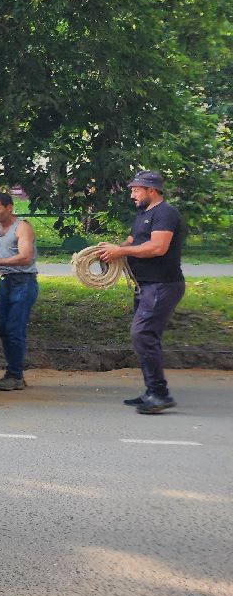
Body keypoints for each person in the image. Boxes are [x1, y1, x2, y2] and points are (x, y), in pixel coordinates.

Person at [93, 170, 186, 415]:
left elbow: (158, 247)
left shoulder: (165, 213)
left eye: (136, 189)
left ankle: (159, 393)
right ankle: (151, 391)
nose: (132, 194)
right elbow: (132, 241)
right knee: (144, 336)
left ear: (151, 190)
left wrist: (121, 252)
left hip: (161, 284)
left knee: (143, 333)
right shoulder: (143, 214)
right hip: (146, 285)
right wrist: (109, 251)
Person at [0, 192, 38, 390]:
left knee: (15, 330)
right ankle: (13, 374)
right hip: (5, 282)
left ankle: (15, 376)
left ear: (9, 207)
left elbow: (26, 258)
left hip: (23, 282)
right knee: (3, 330)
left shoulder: (22, 227)